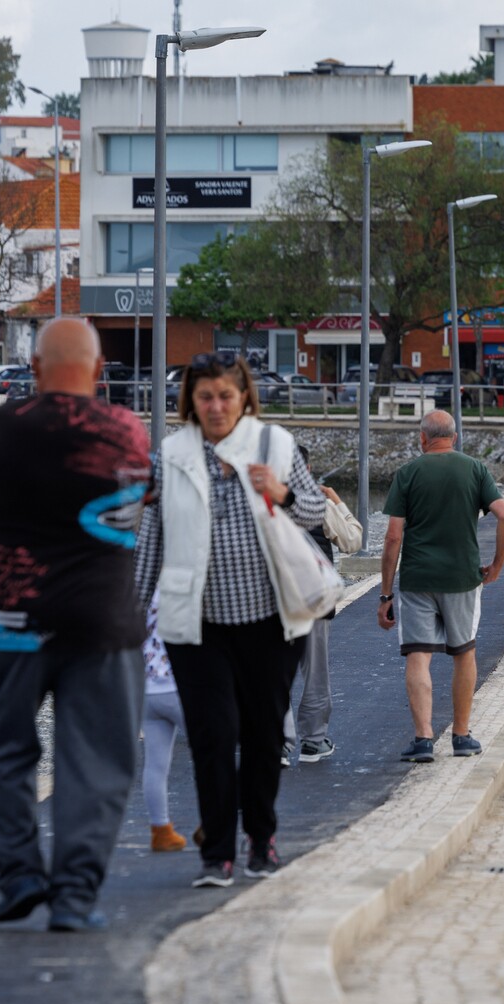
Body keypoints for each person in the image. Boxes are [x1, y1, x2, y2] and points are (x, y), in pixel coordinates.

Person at [0, 317, 149, 933]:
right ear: (99, 370)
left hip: (8, 619)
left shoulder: (4, 426)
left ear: (35, 369)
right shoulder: (126, 430)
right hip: (101, 622)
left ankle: (19, 875)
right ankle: (73, 897)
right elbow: (141, 497)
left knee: (2, 751)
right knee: (96, 760)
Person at [135, 350, 325, 889]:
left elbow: (316, 513)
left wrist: (280, 492)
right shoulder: (170, 456)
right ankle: (216, 852)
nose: (216, 406)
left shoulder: (275, 445)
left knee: (264, 737)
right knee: (212, 736)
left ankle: (261, 839)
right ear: (190, 402)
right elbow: (150, 543)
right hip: (196, 627)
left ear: (244, 398)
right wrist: (129, 620)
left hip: (271, 623)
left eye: (225, 395)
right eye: (205, 397)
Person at [380, 411, 504, 762]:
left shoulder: (408, 473)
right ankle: (461, 736)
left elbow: (393, 537)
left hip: (417, 579)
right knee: (463, 653)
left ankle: (423, 740)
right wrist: (497, 565)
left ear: (422, 438)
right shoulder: (475, 469)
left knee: (418, 655)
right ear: (454, 437)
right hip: (462, 578)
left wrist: (385, 594)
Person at [287, 444, 345, 766]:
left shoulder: (262, 500)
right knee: (315, 673)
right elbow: (353, 539)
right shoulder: (319, 503)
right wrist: (337, 501)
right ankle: (314, 740)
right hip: (315, 600)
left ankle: (279, 743)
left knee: (274, 673)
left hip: (276, 601)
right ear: (307, 470)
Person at [141, 595, 187, 852]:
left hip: (146, 690)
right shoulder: (175, 591)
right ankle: (214, 824)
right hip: (180, 686)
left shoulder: (135, 590)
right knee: (211, 756)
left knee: (155, 765)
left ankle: (160, 830)